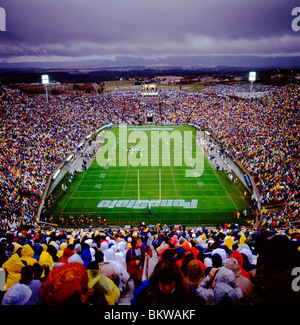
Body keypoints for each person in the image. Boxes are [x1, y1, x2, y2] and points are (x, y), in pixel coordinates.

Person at [131, 259, 204, 305]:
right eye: (163, 283)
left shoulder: (186, 288)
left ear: (175, 280)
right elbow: (136, 302)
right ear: (157, 280)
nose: (167, 288)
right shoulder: (145, 288)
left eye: (170, 283)